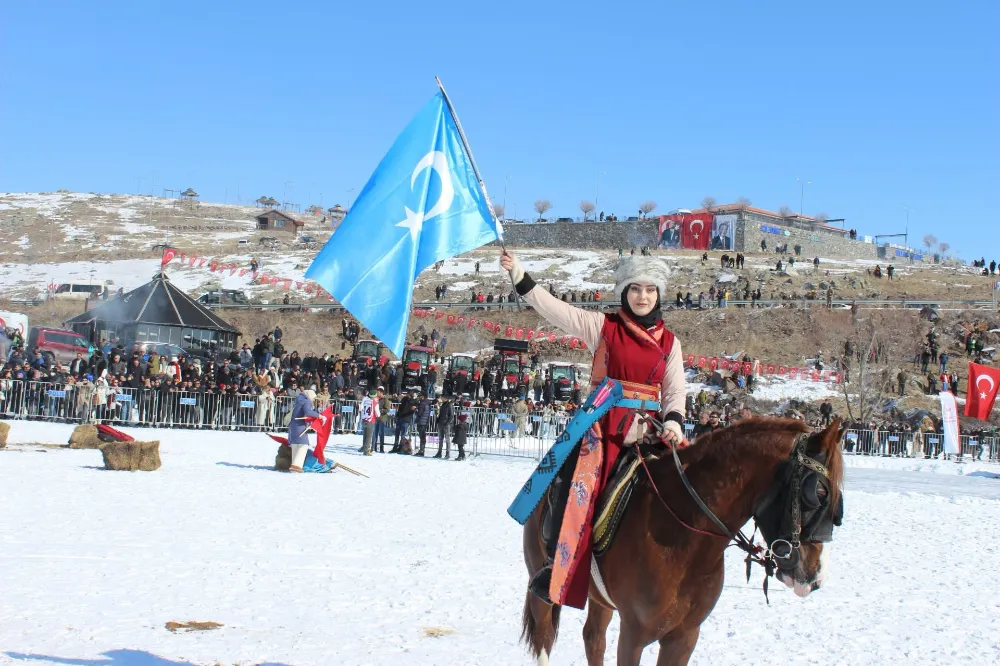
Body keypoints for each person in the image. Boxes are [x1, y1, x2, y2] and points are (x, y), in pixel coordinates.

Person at [501, 249, 686, 608]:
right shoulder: (604, 327)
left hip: (650, 430)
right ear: (625, 291)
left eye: (650, 289)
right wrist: (520, 275)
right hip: (603, 427)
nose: (643, 296)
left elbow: (675, 390)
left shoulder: (670, 343)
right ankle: (555, 561)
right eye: (635, 288)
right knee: (569, 482)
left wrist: (675, 421)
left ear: (659, 293)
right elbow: (555, 309)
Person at [287, 389, 321, 473]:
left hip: (293, 425)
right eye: (313, 398)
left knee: (295, 444)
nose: (313, 400)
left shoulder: (299, 400)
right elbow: (308, 412)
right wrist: (319, 416)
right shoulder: (306, 401)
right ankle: (296, 465)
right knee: (303, 444)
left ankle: (293, 463)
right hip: (300, 425)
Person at [359, 388, 380, 456]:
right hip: (370, 420)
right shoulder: (375, 402)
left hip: (364, 419)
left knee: (365, 435)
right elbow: (377, 413)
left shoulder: (365, 400)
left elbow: (361, 408)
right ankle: (366, 451)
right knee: (369, 436)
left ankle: (363, 447)